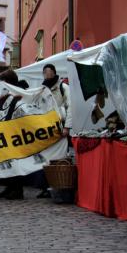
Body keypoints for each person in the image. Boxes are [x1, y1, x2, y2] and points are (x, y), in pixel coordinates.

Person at [37, 64, 71, 198]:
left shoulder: (63, 88)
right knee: (46, 158)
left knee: (60, 157)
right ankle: (46, 187)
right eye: (45, 72)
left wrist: (67, 126)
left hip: (61, 127)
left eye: (49, 71)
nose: (47, 74)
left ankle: (59, 185)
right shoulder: (42, 89)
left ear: (54, 72)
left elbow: (70, 108)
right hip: (47, 128)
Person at [0, 70, 25, 200]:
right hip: (7, 130)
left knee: (16, 161)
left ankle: (18, 190)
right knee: (8, 161)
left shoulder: (20, 93)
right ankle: (9, 187)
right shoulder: (8, 93)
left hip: (16, 131)